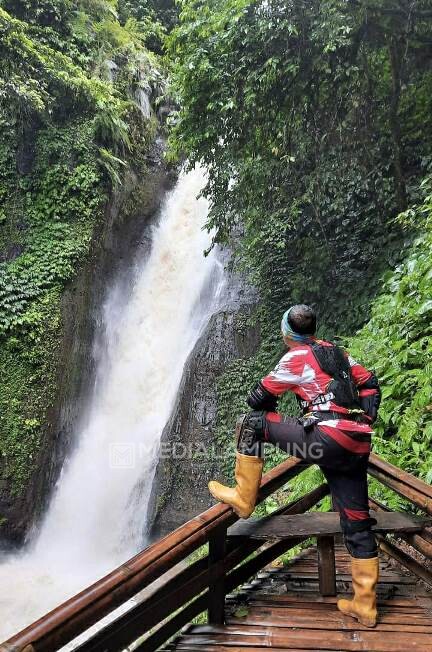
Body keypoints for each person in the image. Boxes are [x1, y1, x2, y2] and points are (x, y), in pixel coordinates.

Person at [208, 304, 381, 628]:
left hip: (327, 439)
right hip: (356, 442)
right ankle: (365, 606)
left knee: (251, 423)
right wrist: (367, 417)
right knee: (357, 522)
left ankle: (244, 499)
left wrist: (279, 403)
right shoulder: (338, 354)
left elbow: (257, 398)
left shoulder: (297, 356)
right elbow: (370, 382)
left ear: (287, 331)